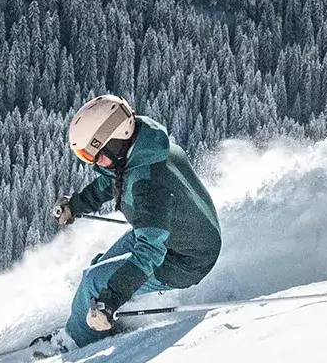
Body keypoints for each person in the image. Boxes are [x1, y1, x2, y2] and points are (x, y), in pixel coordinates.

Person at [52, 94, 222, 346]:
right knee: (99, 268)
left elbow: (150, 253)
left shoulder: (147, 185)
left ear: (115, 141)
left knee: (94, 283)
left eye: (94, 155)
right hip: (180, 234)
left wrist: (111, 298)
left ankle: (73, 342)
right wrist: (76, 205)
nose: (93, 163)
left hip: (185, 259)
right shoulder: (143, 147)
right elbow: (110, 181)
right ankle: (97, 318)